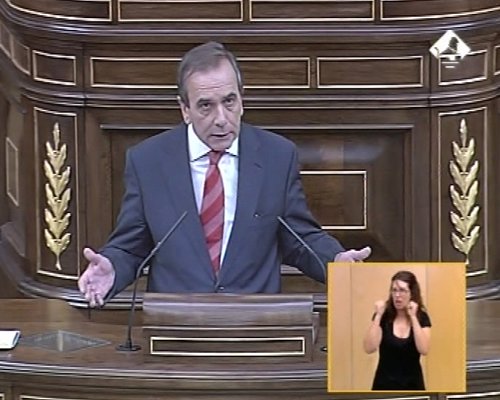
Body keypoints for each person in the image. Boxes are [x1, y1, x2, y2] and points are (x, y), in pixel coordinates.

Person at [78, 41, 372, 307]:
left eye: (229, 101)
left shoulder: (276, 156)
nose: (221, 119)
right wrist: (112, 268)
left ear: (242, 100)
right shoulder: (148, 161)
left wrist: (336, 261)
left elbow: (298, 238)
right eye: (206, 106)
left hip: (255, 321)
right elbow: (132, 246)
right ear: (185, 109)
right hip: (176, 323)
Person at [363, 270, 432, 390]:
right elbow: (369, 348)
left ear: (412, 293)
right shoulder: (384, 315)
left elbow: (424, 349)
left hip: (413, 385)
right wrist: (378, 315)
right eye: (394, 290)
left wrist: (413, 317)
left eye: (402, 290)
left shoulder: (421, 317)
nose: (397, 295)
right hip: (384, 384)